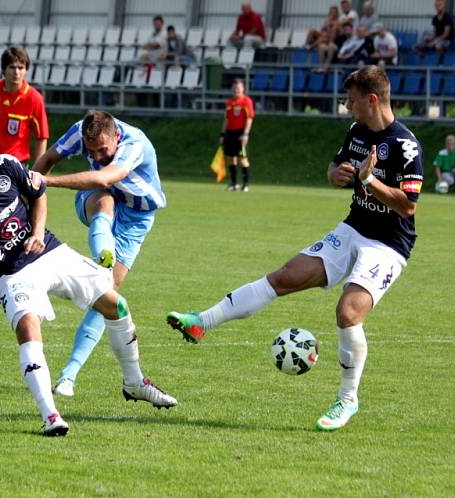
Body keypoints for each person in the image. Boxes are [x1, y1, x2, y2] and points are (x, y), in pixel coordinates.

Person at [168, 65, 424, 432]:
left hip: (388, 244)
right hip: (353, 228)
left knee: (348, 312)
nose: (346, 107)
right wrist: (335, 174)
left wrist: (370, 180)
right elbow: (336, 167)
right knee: (284, 277)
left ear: (372, 100)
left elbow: (408, 205)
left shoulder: (405, 145)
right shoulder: (356, 131)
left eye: (351, 101)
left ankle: (347, 400)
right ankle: (201, 322)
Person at [0, 134, 177, 436]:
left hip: (49, 250)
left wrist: (36, 232)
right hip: (13, 274)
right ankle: (50, 415)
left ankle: (135, 383)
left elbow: (38, 192)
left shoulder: (7, 165)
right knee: (28, 328)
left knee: (116, 305)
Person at [31, 110, 166, 397]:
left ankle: (69, 374)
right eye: (91, 151)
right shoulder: (82, 129)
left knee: (108, 293)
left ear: (116, 136)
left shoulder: (135, 144)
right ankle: (103, 253)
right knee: (103, 200)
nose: (97, 154)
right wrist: (29, 194)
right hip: (98, 198)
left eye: (103, 149)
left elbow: (106, 175)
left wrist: (49, 182)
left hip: (137, 215)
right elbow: (48, 159)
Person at [0, 46, 49, 303]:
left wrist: (36, 173)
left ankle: (23, 276)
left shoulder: (34, 99)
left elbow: (41, 137)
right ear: (3, 70)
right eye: (12, 68)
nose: (17, 72)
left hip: (17, 168)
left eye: (21, 68)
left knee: (20, 224)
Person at [221, 79, 255, 192]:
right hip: (230, 132)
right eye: (234, 88)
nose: (236, 90)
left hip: (240, 133)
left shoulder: (246, 101)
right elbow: (226, 119)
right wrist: (222, 134)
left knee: (243, 159)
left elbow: (249, 118)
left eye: (238, 88)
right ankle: (233, 184)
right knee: (231, 159)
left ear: (243, 88)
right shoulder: (229, 102)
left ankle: (246, 184)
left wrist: (245, 134)